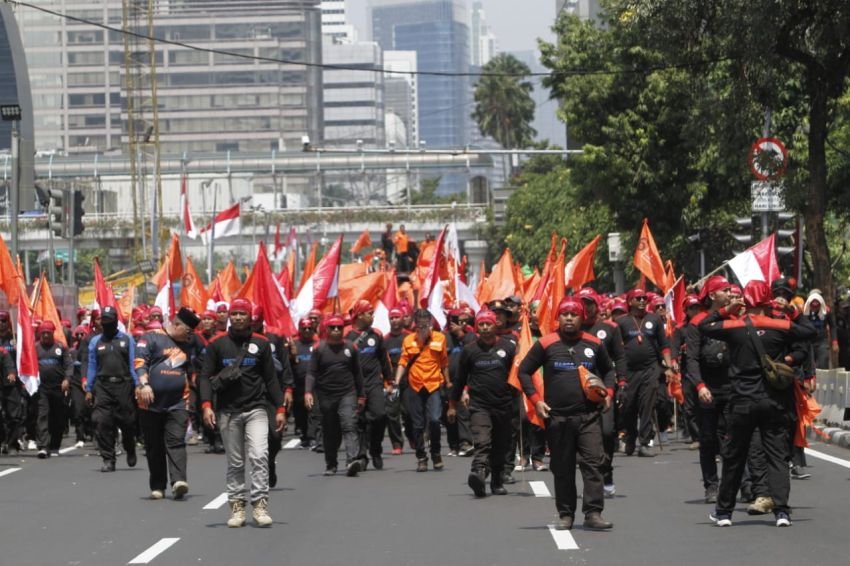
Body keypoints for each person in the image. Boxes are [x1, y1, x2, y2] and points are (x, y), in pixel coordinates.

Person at [700, 281, 815, 528]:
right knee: (777, 457)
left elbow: (703, 326)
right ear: (768, 301)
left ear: (745, 302)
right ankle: (782, 512)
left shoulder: (734, 327)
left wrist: (725, 309)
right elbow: (810, 333)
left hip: (742, 401)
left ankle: (723, 514)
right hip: (774, 402)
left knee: (734, 457)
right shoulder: (780, 325)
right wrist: (793, 311)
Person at [518, 297, 615, 531]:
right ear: (558, 318)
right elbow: (523, 371)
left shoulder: (594, 344)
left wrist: (609, 393)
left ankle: (593, 513)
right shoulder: (546, 344)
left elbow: (609, 371)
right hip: (558, 418)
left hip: (588, 416)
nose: (569, 318)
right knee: (562, 468)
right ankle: (566, 514)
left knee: (593, 464)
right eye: (564, 314)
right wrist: (536, 401)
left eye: (574, 314)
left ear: (582, 318)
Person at [199, 299, 285, 528]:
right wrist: (206, 405)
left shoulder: (262, 344)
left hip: (256, 409)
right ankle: (237, 507)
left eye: (242, 314)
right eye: (234, 313)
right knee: (236, 463)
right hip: (228, 412)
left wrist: (280, 408)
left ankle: (260, 506)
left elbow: (271, 379)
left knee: (259, 455)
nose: (237, 317)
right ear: (228, 316)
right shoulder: (216, 344)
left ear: (249, 317)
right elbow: (205, 376)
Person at [135, 307, 202, 500]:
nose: (190, 336)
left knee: (176, 441)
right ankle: (157, 485)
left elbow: (196, 365)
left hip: (178, 403)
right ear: (177, 324)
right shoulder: (151, 337)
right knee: (154, 445)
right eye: (188, 331)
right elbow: (140, 362)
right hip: (149, 402)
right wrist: (144, 384)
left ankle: (178, 481)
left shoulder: (189, 345)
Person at [450, 309, 516, 497]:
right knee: (482, 440)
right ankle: (478, 473)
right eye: (482, 324)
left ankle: (496, 481)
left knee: (500, 444)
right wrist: (452, 405)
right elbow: (460, 380)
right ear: (477, 326)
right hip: (480, 405)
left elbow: (519, 374)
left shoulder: (509, 347)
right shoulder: (469, 350)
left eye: (488, 324)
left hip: (504, 405)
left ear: (496, 325)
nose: (485, 328)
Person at [685, 276, 732, 504]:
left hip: (733, 387)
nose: (730, 294)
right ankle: (711, 486)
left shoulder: (735, 319)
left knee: (734, 439)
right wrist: (700, 386)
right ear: (713, 295)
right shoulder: (697, 324)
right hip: (708, 389)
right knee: (708, 439)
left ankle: (741, 484)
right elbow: (691, 360)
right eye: (725, 290)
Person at [577, 287, 627, 497]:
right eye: (582, 303)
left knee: (606, 433)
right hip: (577, 393)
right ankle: (591, 477)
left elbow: (620, 357)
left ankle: (606, 473)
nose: (585, 307)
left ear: (596, 305)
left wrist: (621, 383)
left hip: (603, 390)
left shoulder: (610, 328)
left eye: (589, 302)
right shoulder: (570, 329)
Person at [616, 288, 676, 457]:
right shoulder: (621, 322)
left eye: (644, 298)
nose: (642, 301)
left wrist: (669, 367)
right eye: (638, 298)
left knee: (647, 405)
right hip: (629, 371)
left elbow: (664, 345)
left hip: (651, 369)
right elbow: (615, 348)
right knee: (628, 406)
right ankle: (630, 436)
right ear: (630, 302)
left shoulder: (654, 319)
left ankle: (644, 442)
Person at [305, 314, 365, 476]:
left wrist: (361, 396)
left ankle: (351, 461)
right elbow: (311, 373)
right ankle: (331, 464)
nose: (337, 330)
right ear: (327, 329)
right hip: (325, 396)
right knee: (331, 430)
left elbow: (358, 374)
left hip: (347, 393)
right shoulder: (319, 349)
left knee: (349, 424)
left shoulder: (351, 348)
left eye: (339, 327)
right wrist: (308, 392)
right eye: (333, 327)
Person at [393, 309, 449, 472]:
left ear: (430, 323)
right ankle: (421, 457)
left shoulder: (440, 338)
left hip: (434, 384)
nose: (423, 327)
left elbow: (444, 362)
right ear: (415, 324)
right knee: (417, 424)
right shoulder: (409, 340)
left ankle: (436, 453)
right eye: (420, 323)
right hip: (415, 385)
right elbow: (403, 362)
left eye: (426, 323)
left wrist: (448, 382)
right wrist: (396, 382)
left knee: (434, 420)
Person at [85, 306, 139, 472]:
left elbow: (133, 364)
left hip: (124, 385)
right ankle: (108, 459)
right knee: (102, 422)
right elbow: (92, 366)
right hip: (103, 386)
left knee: (128, 422)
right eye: (104, 320)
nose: (107, 323)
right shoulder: (96, 342)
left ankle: (130, 447)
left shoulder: (127, 340)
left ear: (116, 321)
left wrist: (138, 385)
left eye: (110, 320)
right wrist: (89, 388)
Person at [346, 300, 393, 471]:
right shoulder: (347, 336)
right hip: (354, 386)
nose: (372, 317)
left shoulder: (377, 335)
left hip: (374, 383)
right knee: (360, 421)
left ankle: (376, 449)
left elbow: (384, 359)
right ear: (359, 315)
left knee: (379, 415)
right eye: (369, 313)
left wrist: (390, 380)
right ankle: (362, 455)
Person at [35, 321, 73, 458]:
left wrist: (67, 379)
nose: (45, 335)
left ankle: (55, 445)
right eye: (43, 333)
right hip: (42, 388)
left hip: (58, 388)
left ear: (52, 333)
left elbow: (69, 365)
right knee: (42, 415)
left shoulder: (61, 347)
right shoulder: (35, 348)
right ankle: (43, 446)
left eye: (48, 333)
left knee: (58, 417)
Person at [384, 308, 410, 454]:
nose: (394, 320)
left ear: (402, 319)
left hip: (409, 381)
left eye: (397, 317)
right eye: (392, 317)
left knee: (409, 413)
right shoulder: (385, 340)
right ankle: (397, 444)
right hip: (392, 382)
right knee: (392, 413)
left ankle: (412, 436)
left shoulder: (409, 337)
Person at [0, 311, 22, 454]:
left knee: (14, 415)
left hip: (13, 381)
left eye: (3, 320)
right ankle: (2, 441)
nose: (0, 323)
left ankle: (13, 442)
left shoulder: (15, 338)